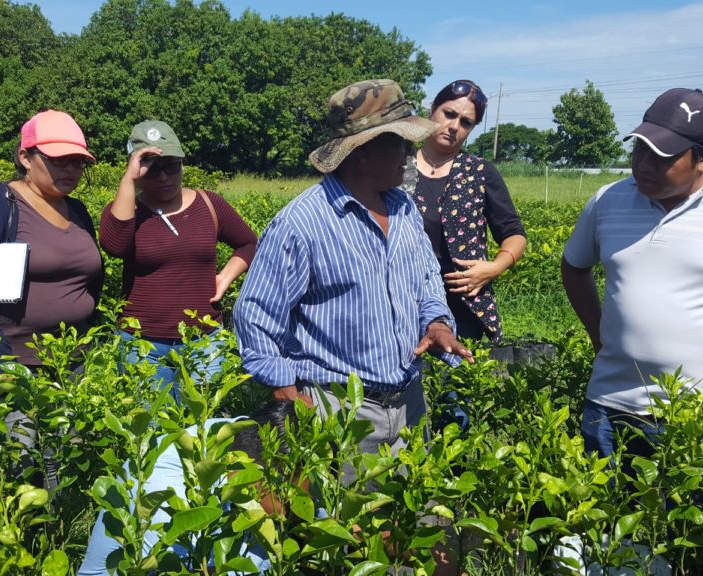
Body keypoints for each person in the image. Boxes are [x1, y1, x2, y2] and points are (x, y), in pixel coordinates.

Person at [233, 79, 474, 458]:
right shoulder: (302, 223)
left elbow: (428, 279)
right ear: (362, 150)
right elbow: (256, 315)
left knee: (414, 516)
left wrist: (438, 323)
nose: (410, 154)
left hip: (409, 403)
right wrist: (289, 396)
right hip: (338, 409)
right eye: (399, 142)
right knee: (340, 517)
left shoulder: (403, 208)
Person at [561, 88, 703, 460]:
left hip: (688, 414)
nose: (644, 164)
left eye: (662, 156)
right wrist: (599, 334)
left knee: (681, 518)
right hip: (608, 402)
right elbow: (575, 267)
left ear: (700, 160)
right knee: (604, 514)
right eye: (640, 148)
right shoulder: (609, 199)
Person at [99, 120, 257, 402]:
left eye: (171, 165)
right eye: (152, 168)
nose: (163, 177)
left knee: (202, 432)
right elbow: (114, 246)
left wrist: (225, 278)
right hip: (141, 344)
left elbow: (249, 243)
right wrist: (128, 181)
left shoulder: (208, 204)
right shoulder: (128, 210)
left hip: (204, 341)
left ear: (183, 164)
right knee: (149, 433)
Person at [0, 109, 103, 371]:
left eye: (77, 161)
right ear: (26, 158)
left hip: (76, 361)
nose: (71, 169)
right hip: (16, 365)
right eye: (59, 159)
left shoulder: (78, 210)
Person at [77, 402, 299, 575]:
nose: (294, 513)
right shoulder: (166, 497)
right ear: (253, 475)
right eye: (288, 501)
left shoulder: (253, 432)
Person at [401, 80, 526, 343]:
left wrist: (494, 267)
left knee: (458, 382)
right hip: (405, 303)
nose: (455, 126)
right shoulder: (400, 166)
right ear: (432, 109)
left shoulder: (479, 172)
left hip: (466, 305)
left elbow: (514, 233)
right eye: (449, 114)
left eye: (466, 122)